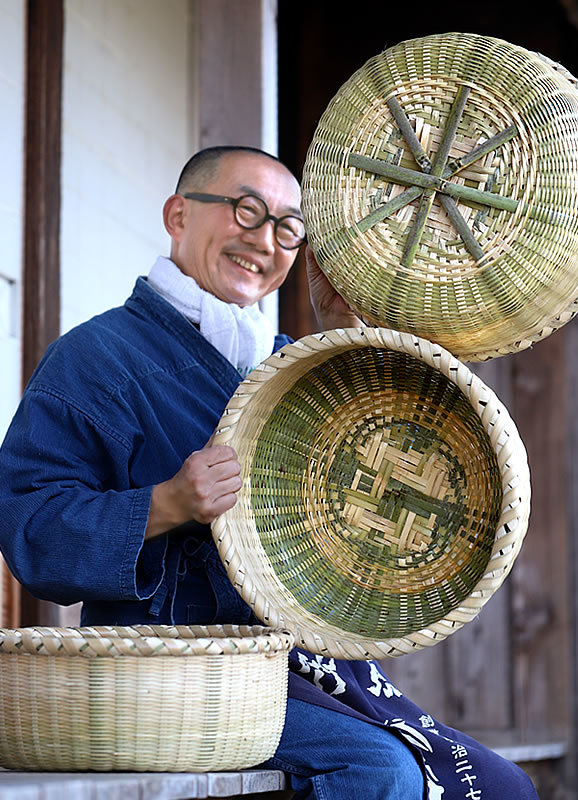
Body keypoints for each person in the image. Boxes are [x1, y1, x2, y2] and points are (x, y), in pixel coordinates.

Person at [0, 146, 538, 800]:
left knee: (503, 786)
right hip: (171, 669)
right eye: (246, 211)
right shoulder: (92, 358)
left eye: (288, 229)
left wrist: (345, 344)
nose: (264, 241)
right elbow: (29, 530)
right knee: (379, 771)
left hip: (295, 664)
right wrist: (166, 503)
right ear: (177, 215)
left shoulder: (288, 364)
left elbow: (372, 489)